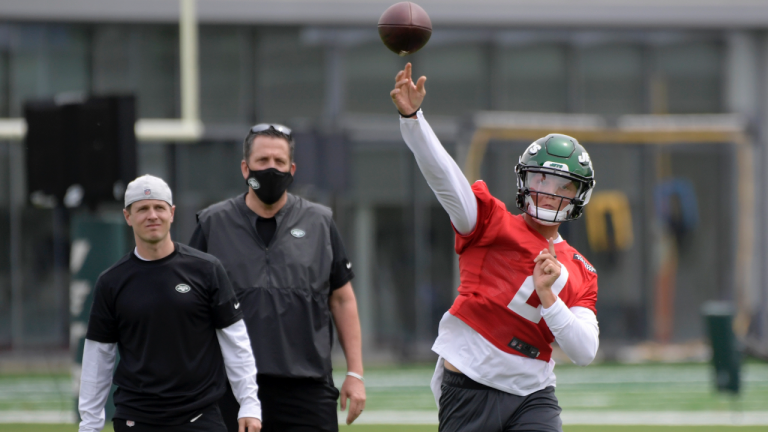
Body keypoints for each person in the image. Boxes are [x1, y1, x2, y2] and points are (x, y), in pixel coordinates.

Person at [391, 63, 600, 432]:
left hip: (534, 391)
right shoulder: (489, 221)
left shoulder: (581, 269)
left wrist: (549, 297)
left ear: (577, 196)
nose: (550, 192)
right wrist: (413, 119)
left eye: (562, 186)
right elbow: (445, 178)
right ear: (524, 180)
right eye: (541, 178)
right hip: (471, 380)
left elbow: (584, 352)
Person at [189, 124, 365, 432]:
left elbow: (342, 298)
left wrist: (356, 373)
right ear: (246, 168)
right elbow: (189, 307)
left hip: (307, 386)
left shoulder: (320, 222)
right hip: (233, 387)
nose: (271, 168)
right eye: (262, 161)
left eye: (279, 162)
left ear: (292, 168)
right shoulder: (212, 224)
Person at [78, 174, 262, 432]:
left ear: (172, 213)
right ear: (127, 216)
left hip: (200, 417)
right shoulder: (111, 282)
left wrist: (249, 404)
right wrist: (89, 425)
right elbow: (98, 357)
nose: (152, 215)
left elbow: (236, 341)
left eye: (159, 207)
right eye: (142, 209)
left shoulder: (207, 270)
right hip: (137, 418)